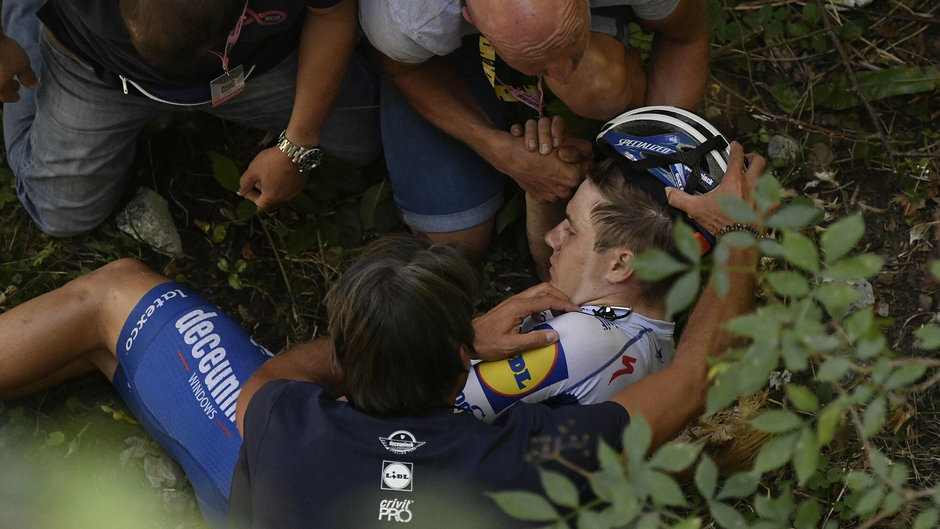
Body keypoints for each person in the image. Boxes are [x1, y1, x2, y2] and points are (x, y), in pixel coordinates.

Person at [358, 0, 710, 258]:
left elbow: (685, 36)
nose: (561, 74)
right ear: (467, 16)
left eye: (570, 41)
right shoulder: (405, 14)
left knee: (595, 87)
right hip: (434, 48)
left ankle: (592, 67)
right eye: (534, 61)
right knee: (455, 247)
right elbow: (404, 69)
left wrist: (653, 164)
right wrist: (497, 150)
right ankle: (494, 57)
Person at [0, 0, 380, 237]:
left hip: (260, 65)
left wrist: (299, 145)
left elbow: (331, 11)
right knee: (60, 215)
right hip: (95, 70)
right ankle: (23, 14)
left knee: (367, 138)